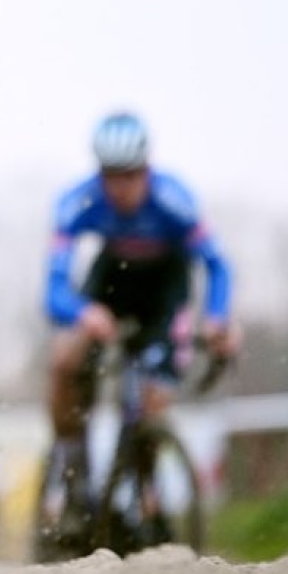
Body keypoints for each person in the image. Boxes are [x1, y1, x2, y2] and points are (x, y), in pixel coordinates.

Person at [42, 111, 239, 541]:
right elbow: (53, 292)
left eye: (131, 175)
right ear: (99, 174)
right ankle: (77, 488)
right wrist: (82, 314)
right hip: (110, 283)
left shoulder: (174, 200)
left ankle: (147, 495)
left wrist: (219, 320)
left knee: (151, 399)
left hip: (166, 292)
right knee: (64, 361)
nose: (122, 187)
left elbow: (218, 266)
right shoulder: (78, 203)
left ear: (147, 168)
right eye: (112, 176)